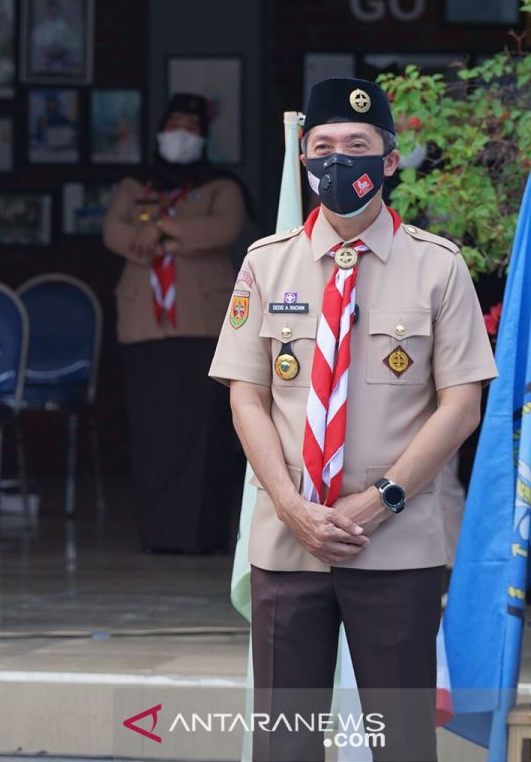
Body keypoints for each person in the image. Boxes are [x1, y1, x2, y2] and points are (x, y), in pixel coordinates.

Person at [209, 77, 496, 761]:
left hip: (396, 543)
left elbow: (461, 404)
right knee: (285, 746)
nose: (339, 162)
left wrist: (381, 501)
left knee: (400, 745)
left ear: (389, 162)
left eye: (358, 147)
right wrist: (289, 504)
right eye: (324, 147)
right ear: (304, 162)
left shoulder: (438, 266)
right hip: (289, 537)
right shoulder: (265, 264)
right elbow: (245, 394)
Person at [102, 93, 249, 554]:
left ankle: (201, 534)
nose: (181, 135)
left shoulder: (221, 185)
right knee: (153, 431)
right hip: (146, 323)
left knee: (203, 431)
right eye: (175, 125)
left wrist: (162, 229)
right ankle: (159, 533)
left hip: (201, 322)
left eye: (191, 126)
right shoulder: (134, 184)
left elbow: (223, 229)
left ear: (204, 138)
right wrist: (149, 235)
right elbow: (114, 231)